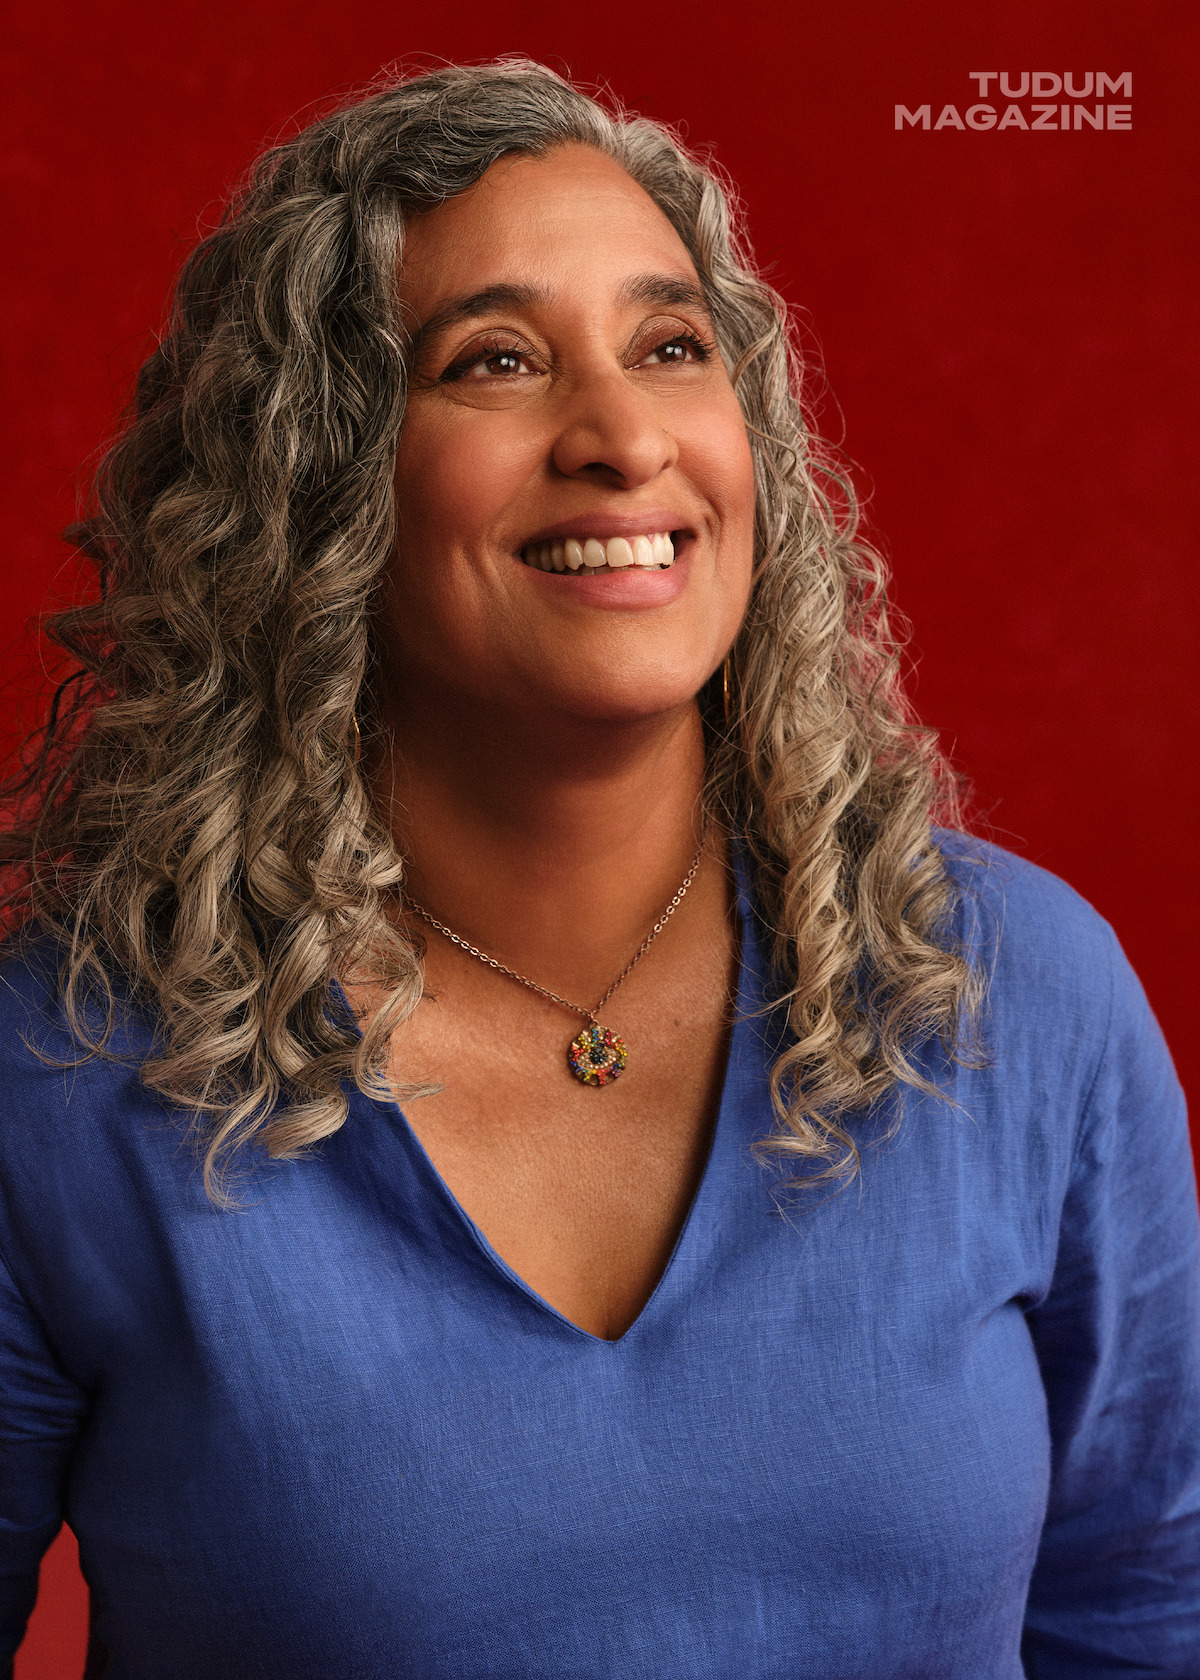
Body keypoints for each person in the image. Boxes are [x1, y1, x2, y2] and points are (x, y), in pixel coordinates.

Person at [0, 59, 1196, 1680]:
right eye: (495, 359)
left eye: (671, 347)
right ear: (315, 478)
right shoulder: (63, 1074)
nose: (626, 437)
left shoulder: (1014, 991)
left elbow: (1145, 1617)